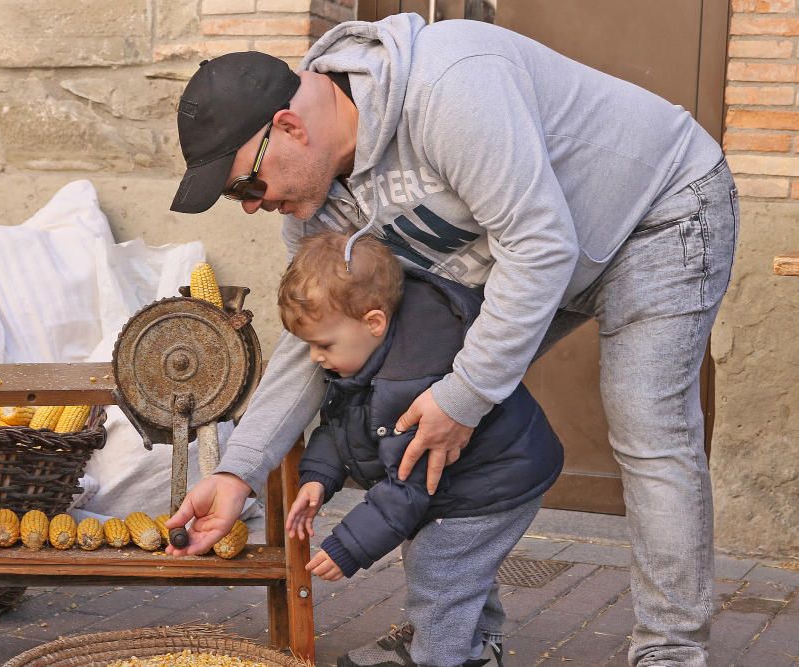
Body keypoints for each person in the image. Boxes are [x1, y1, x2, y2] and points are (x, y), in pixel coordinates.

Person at [166, 13, 737, 667]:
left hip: (657, 212)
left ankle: (670, 650)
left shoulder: (450, 86)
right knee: (414, 401)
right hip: (538, 251)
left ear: (289, 128)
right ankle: (464, 639)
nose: (248, 204)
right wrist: (240, 469)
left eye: (245, 183)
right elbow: (312, 343)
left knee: (646, 422)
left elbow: (541, 246)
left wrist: (465, 396)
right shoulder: (316, 207)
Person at [279, 230, 563, 667]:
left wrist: (348, 547)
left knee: (438, 567)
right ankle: (478, 649)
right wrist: (319, 476)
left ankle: (438, 656)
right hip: (476, 480)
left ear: (373, 322)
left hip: (496, 482)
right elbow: (340, 424)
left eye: (324, 345)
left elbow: (406, 489)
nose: (315, 358)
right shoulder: (370, 354)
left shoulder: (408, 381)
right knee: (461, 565)